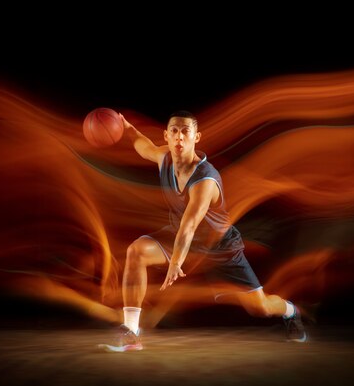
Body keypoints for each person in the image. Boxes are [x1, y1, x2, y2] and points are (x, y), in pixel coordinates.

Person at [100, 111, 306, 352]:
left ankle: (292, 311)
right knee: (136, 251)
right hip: (180, 237)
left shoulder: (205, 178)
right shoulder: (163, 157)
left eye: (185, 131)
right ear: (166, 136)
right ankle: (132, 333)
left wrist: (176, 261)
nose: (179, 137)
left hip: (220, 248)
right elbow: (142, 144)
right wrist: (125, 127)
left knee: (260, 308)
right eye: (174, 131)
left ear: (196, 137)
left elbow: (190, 225)